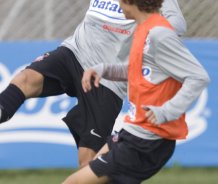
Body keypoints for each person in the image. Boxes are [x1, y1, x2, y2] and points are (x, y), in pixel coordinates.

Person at [0, 0, 186, 167]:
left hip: (105, 79)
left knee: (87, 160)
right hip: (74, 51)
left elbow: (177, 24)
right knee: (25, 79)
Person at [62, 0, 210, 183]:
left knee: (74, 182)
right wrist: (104, 70)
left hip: (148, 141)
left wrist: (167, 111)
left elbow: (198, 76)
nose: (118, 6)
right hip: (132, 130)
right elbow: (136, 69)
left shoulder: (160, 35)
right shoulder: (144, 29)